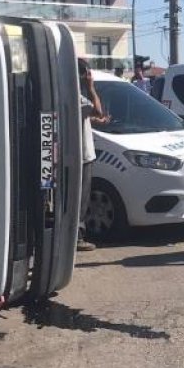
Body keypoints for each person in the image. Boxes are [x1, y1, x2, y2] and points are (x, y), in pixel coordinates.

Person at [77, 59, 108, 251]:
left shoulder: (70, 95)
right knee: (81, 199)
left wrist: (95, 121)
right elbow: (97, 109)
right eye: (88, 74)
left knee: (82, 198)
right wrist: (91, 88)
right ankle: (78, 237)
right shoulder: (77, 96)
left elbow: (90, 115)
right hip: (82, 156)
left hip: (80, 155)